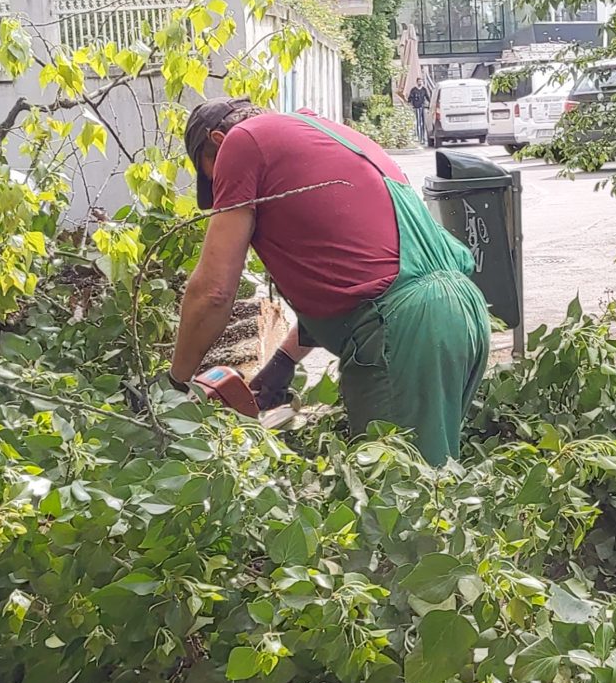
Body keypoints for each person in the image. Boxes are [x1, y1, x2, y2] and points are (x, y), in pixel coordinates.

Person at [169, 97, 492, 463]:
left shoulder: (241, 142)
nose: (220, 186)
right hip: (460, 313)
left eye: (212, 173)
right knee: (434, 483)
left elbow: (212, 292)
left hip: (405, 332)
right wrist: (285, 360)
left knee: (399, 503)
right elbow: (353, 267)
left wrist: (175, 384)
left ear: (218, 140)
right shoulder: (327, 133)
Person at [405, 80, 431, 146]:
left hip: (423, 107)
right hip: (416, 107)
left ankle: (423, 138)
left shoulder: (424, 90)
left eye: (421, 82)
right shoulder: (414, 90)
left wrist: (430, 104)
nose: (420, 83)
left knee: (423, 123)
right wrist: (408, 103)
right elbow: (410, 98)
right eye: (419, 82)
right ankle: (419, 138)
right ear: (417, 82)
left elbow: (427, 97)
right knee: (418, 123)